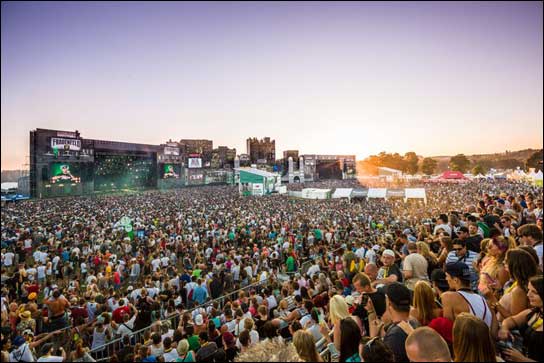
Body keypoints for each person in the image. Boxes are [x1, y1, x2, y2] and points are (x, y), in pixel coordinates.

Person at [442, 262, 496, 334]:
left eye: (447, 276)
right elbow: (494, 331)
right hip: (488, 343)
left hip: (466, 343)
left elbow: (448, 329)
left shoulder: (448, 297)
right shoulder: (484, 301)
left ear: (455, 280)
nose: (446, 279)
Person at [497, 275, 543, 362]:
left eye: (534, 292)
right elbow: (511, 320)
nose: (528, 294)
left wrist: (522, 359)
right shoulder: (533, 312)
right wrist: (504, 328)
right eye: (529, 290)